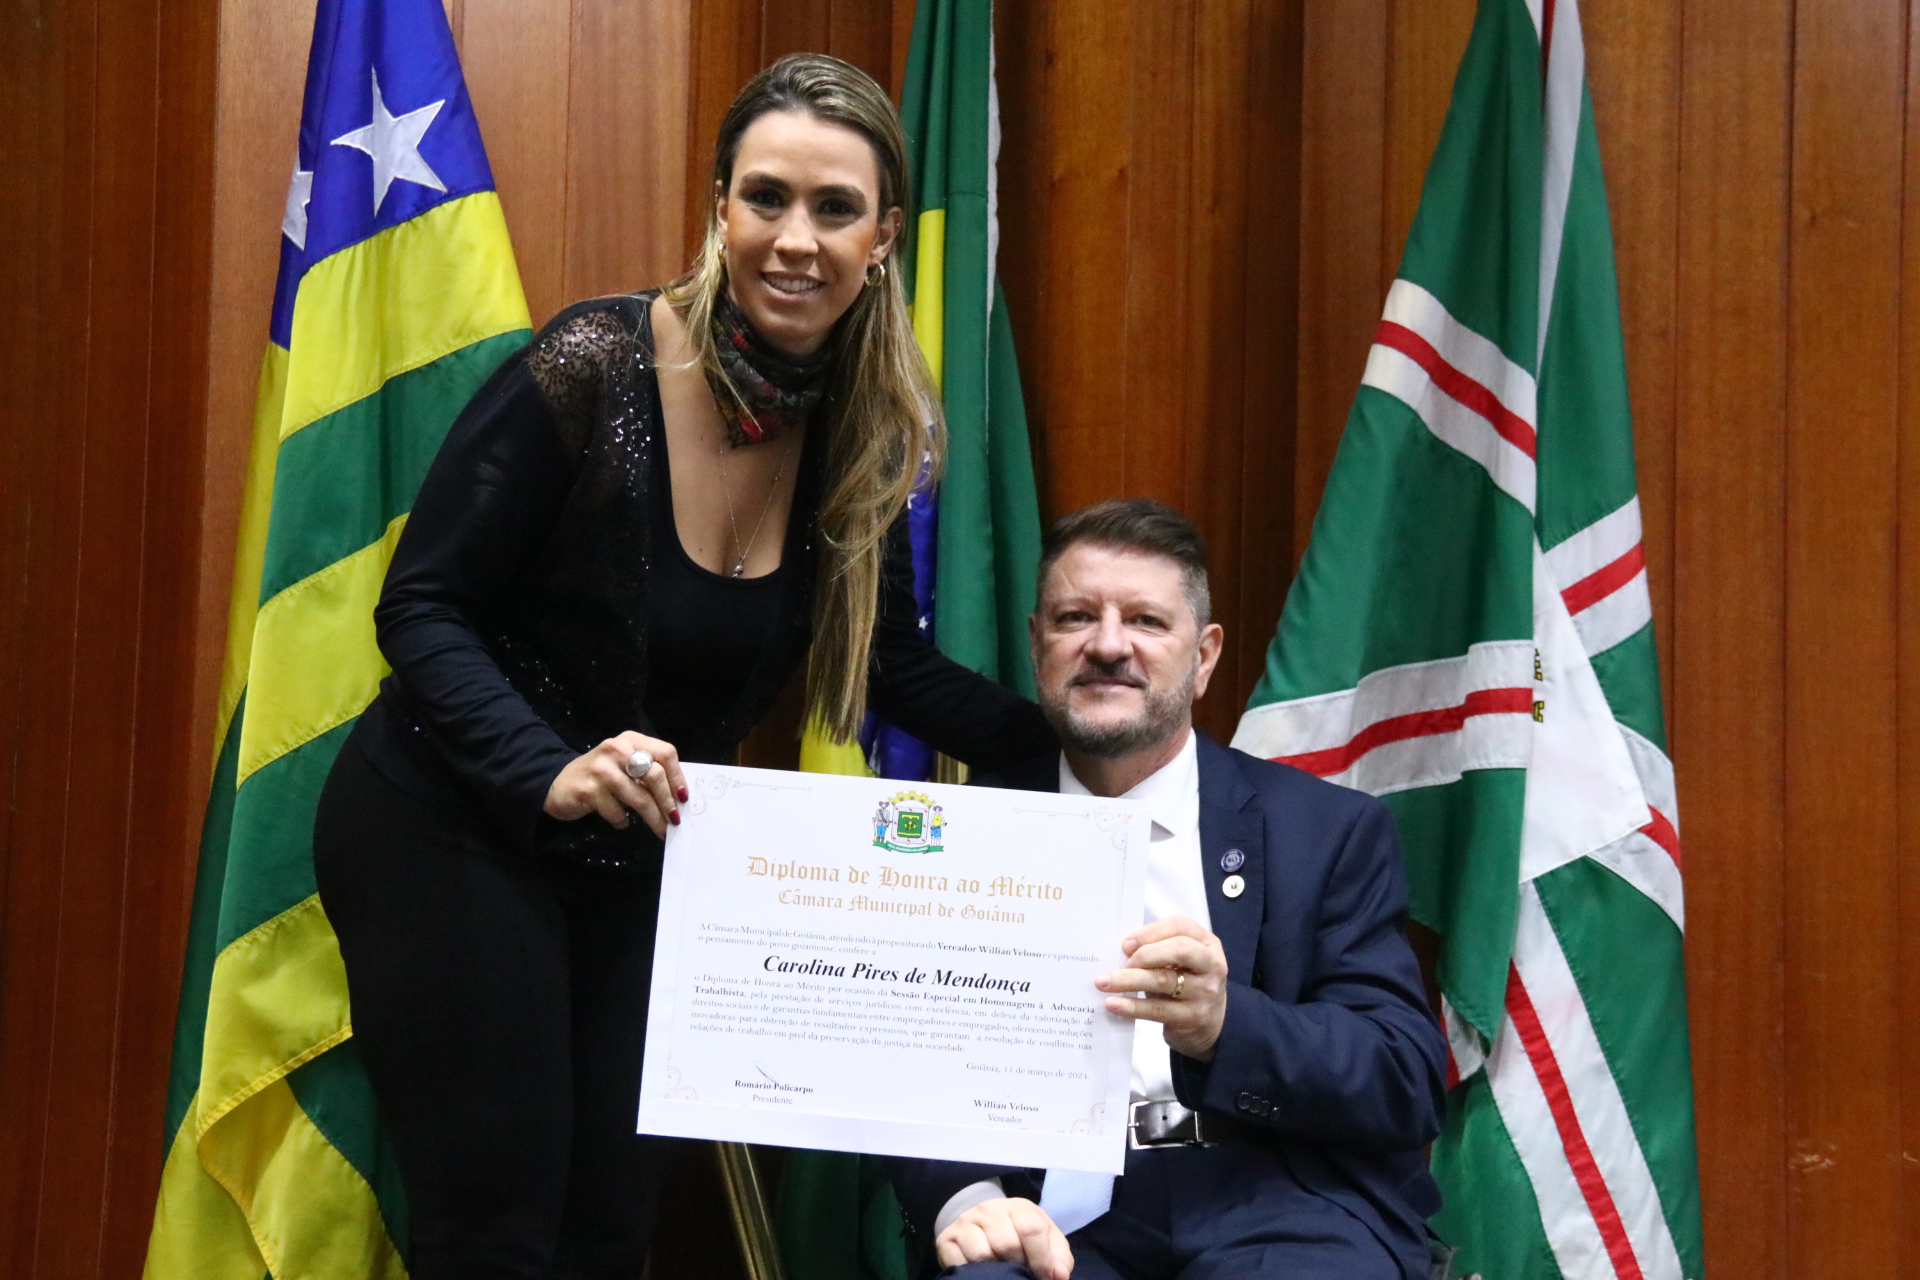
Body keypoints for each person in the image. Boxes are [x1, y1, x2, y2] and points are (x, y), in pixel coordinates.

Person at [311, 54, 1053, 1280]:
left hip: (643, 861)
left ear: (881, 239)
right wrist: (545, 768)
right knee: (498, 1226)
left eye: (835, 207)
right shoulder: (593, 362)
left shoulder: (865, 429)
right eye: (766, 197)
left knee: (611, 1226)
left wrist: (1089, 753)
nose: (795, 239)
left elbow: (888, 666)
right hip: (452, 820)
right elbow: (423, 601)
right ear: (719, 208)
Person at [886, 500, 1448, 1280]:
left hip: (1279, 1194)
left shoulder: (1324, 829)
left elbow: (1402, 1077)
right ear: (1037, 645)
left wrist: (1225, 1025)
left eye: (1146, 621)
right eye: (1076, 618)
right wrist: (966, 1199)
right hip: (1040, 1207)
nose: (1108, 645)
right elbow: (902, 1062)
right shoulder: (961, 834)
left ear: (1204, 656)